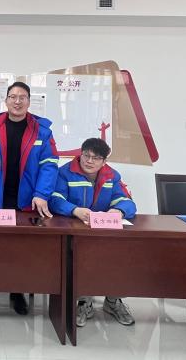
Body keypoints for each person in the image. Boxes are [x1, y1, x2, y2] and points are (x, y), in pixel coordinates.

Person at [0, 81, 59, 317]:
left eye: (22, 97)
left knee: (20, 248)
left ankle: (17, 291)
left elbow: (49, 165)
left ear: (29, 101)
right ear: (6, 100)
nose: (17, 101)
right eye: (13, 97)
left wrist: (42, 194)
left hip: (25, 200)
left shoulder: (42, 131)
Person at [49, 137, 137, 327]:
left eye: (96, 158)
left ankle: (113, 301)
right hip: (75, 232)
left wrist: (119, 210)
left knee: (123, 255)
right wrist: (74, 210)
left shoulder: (112, 176)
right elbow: (55, 199)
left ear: (104, 161)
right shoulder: (65, 172)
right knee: (81, 257)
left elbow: (127, 201)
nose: (89, 161)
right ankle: (83, 301)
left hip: (103, 234)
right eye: (86, 156)